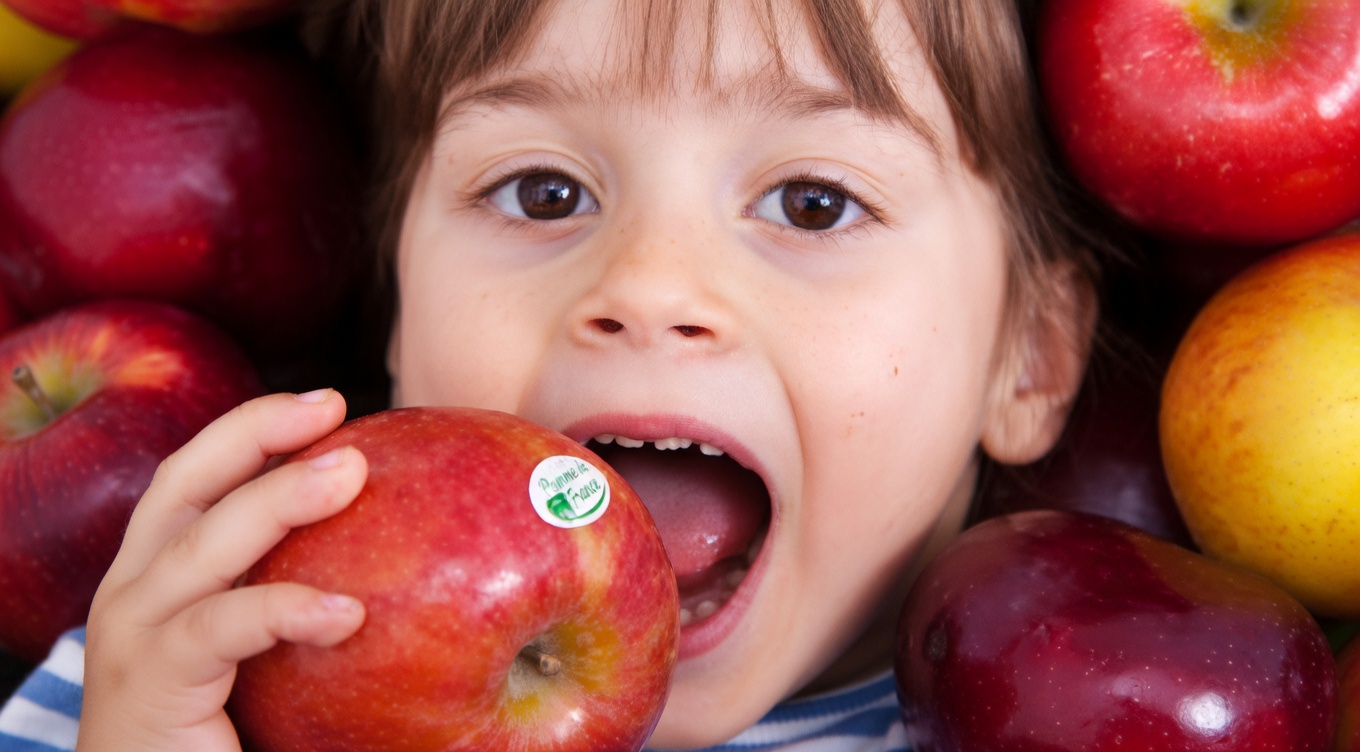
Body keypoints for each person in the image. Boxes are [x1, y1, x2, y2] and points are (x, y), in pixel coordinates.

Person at [0, 0, 1113, 749]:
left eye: (813, 203)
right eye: (542, 192)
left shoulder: (1078, 717)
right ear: (393, 306)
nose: (649, 282)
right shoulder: (186, 673)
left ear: (1030, 356)